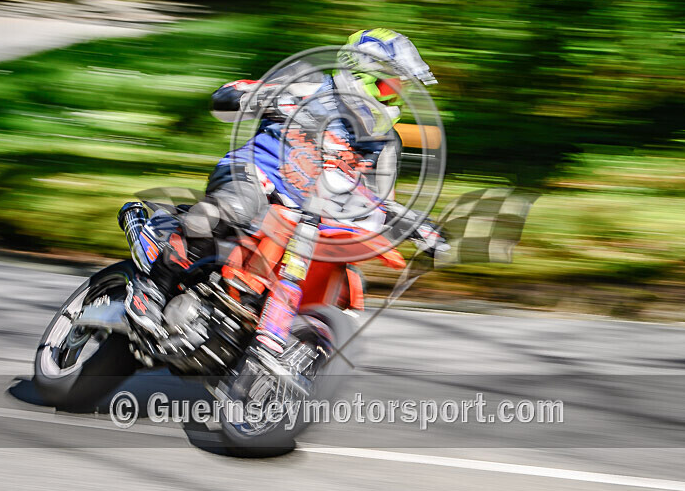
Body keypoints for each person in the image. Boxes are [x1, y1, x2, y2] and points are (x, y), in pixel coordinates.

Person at [120, 28, 447, 349]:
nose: (397, 95)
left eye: (402, 89)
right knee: (231, 211)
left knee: (344, 269)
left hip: (311, 215)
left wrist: (416, 223)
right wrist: (254, 95)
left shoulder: (387, 143)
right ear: (359, 73)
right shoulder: (310, 83)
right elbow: (226, 98)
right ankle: (154, 290)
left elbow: (380, 201)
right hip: (257, 175)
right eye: (390, 86)